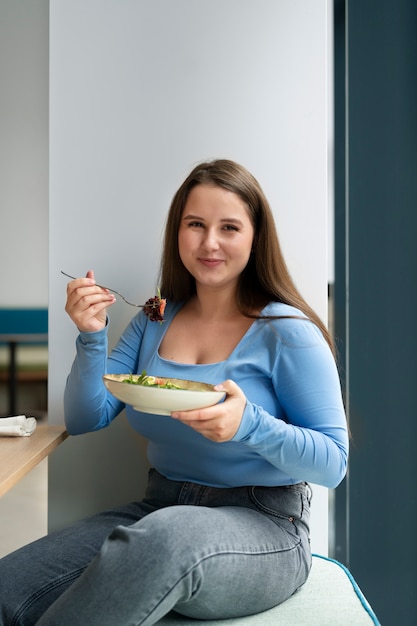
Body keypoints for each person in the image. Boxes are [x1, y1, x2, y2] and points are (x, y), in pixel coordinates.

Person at [0, 159, 348, 625]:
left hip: (265, 526)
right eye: (195, 225)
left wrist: (249, 425)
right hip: (160, 508)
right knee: (10, 585)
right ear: (177, 232)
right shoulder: (153, 319)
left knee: (166, 536)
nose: (209, 243)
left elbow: (334, 463)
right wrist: (91, 335)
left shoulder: (286, 330)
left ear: (255, 237)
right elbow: (86, 417)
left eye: (229, 227)